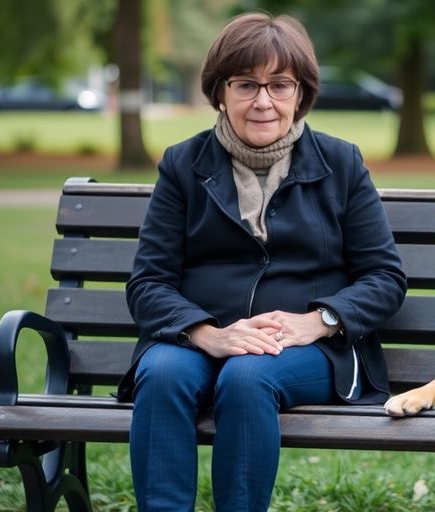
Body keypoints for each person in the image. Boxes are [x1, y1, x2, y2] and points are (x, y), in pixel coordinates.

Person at [116, 12, 407, 511]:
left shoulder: (341, 163)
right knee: (161, 374)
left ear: (301, 93)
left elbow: (384, 278)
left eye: (280, 84)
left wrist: (317, 322)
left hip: (307, 349)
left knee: (248, 376)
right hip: (196, 341)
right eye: (247, 84)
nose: (264, 101)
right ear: (220, 91)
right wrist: (208, 333)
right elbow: (148, 282)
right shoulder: (183, 164)